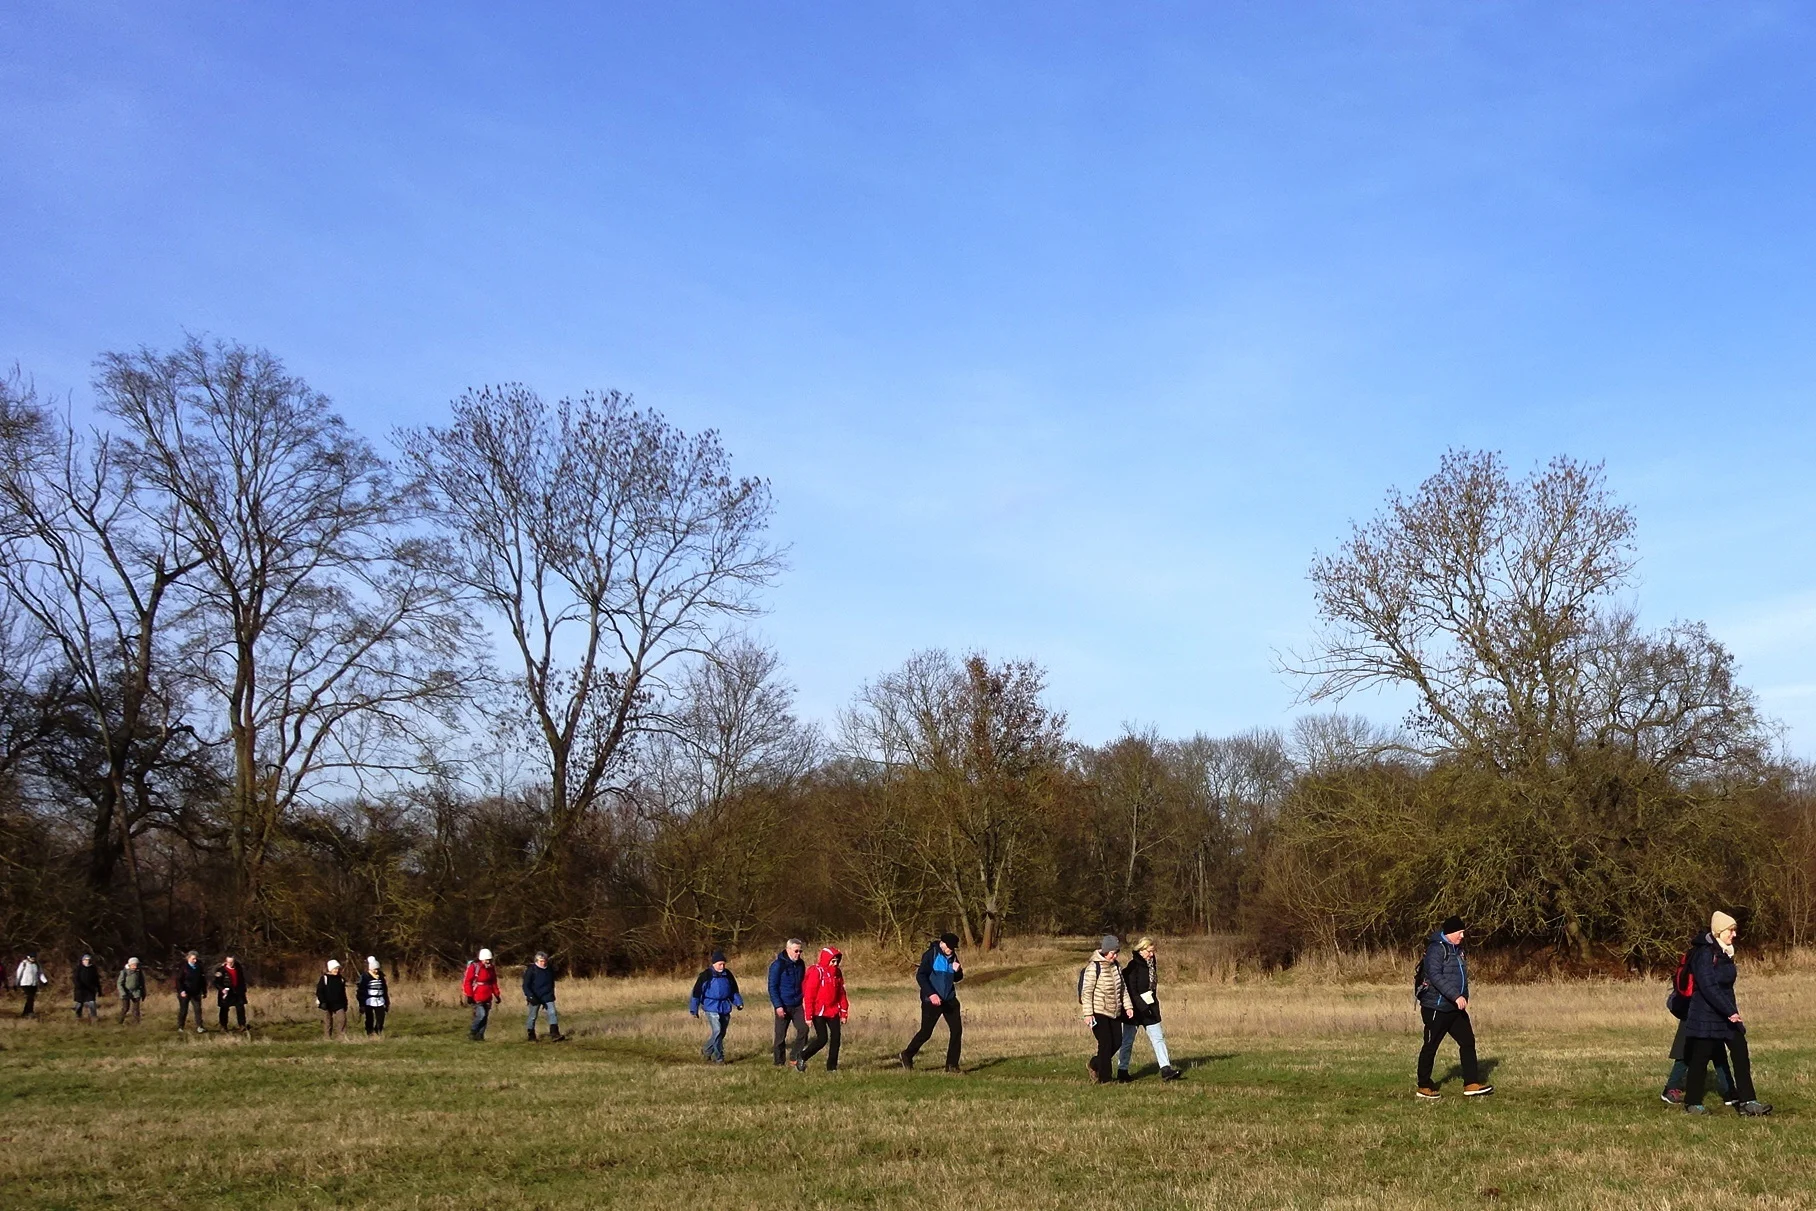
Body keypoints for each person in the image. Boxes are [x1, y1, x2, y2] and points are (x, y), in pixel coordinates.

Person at [1681, 911, 1772, 1116]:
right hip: (1706, 1014)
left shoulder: (1725, 952)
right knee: (1700, 1058)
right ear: (1720, 931)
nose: (1734, 935)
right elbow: (1708, 986)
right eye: (1731, 930)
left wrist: (1731, 1011)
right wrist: (1730, 1011)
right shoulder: (1704, 953)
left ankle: (1748, 1101)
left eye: (1734, 930)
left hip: (1726, 1013)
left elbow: (1724, 987)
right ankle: (1693, 1103)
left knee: (1740, 1052)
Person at [1415, 916, 1492, 1099]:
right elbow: (1434, 975)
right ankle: (1424, 1086)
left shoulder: (1458, 950)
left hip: (1454, 1009)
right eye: (1460, 932)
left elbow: (1461, 977)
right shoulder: (1436, 949)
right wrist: (1455, 995)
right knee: (1431, 1045)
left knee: (1467, 1042)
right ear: (1451, 932)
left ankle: (1471, 1083)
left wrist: (1463, 996)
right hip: (1436, 1007)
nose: (1463, 936)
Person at [1118, 937, 1181, 1082]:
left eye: (1153, 951)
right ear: (1141, 950)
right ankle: (1122, 1070)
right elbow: (1131, 991)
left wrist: (1150, 1007)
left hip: (1150, 1008)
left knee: (1158, 1038)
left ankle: (1166, 1069)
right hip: (1133, 1010)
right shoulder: (1132, 967)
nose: (1152, 954)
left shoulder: (1152, 965)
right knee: (1127, 1041)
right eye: (1149, 951)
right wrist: (1142, 1007)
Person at [900, 932, 965, 1072]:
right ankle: (907, 1054)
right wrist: (932, 994)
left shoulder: (953, 956)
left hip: (949, 999)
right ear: (942, 943)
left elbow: (957, 978)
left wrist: (957, 971)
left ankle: (952, 1065)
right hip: (932, 1000)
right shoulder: (931, 955)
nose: (951, 950)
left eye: (953, 948)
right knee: (926, 1032)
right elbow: (921, 976)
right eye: (949, 947)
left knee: (957, 1030)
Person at [1080, 935, 1134, 1084]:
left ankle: (1095, 1064)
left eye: (1116, 953)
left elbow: (1122, 990)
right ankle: (1105, 1079)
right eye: (1112, 953)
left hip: (1114, 1012)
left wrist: (1128, 1007)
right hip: (1098, 1012)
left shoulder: (1116, 967)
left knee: (1117, 1042)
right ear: (1105, 951)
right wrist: (1088, 1014)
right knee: (1106, 1043)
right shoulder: (1093, 968)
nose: (1115, 956)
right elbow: (1087, 992)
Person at [798, 945, 848, 1072]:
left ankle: (832, 1067)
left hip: (833, 1010)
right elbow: (809, 994)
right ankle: (803, 1056)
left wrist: (844, 1012)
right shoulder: (817, 971)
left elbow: (841, 993)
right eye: (833, 961)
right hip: (818, 1011)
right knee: (822, 1039)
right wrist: (808, 1016)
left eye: (837, 961)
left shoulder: (837, 973)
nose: (835, 964)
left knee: (836, 1037)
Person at [688, 950, 744, 1063]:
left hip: (725, 1006)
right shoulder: (706, 975)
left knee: (721, 1033)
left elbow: (734, 990)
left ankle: (707, 1050)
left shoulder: (728, 974)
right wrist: (694, 1009)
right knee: (717, 1031)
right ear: (714, 964)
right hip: (711, 1007)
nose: (722, 966)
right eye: (720, 964)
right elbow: (696, 993)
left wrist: (738, 1003)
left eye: (724, 964)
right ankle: (719, 1058)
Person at [768, 938, 808, 1068]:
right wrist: (778, 1006)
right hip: (783, 1004)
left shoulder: (801, 964)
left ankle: (795, 1056)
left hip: (797, 1004)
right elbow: (772, 987)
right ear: (788, 950)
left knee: (804, 1029)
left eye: (800, 951)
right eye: (796, 951)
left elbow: (804, 983)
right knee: (780, 1036)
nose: (798, 954)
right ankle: (779, 1062)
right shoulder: (777, 965)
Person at [522, 951, 565, 1042]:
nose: (543, 962)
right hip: (535, 996)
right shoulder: (531, 970)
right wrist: (530, 996)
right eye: (541, 961)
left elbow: (551, 983)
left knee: (552, 1012)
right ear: (536, 961)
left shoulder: (549, 969)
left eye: (545, 960)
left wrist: (551, 994)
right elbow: (526, 985)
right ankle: (531, 1035)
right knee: (533, 1016)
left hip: (547, 996)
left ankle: (554, 1033)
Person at [462, 947, 501, 1041]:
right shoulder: (474, 967)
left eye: (489, 960)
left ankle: (480, 1036)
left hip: (487, 997)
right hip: (477, 997)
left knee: (485, 1018)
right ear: (481, 959)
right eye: (486, 960)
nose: (488, 961)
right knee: (481, 1015)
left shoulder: (491, 969)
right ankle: (473, 1031)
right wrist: (469, 995)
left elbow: (493, 982)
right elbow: (467, 982)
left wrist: (497, 995)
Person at [175, 951, 208, 1033]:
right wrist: (181, 990)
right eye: (193, 959)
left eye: (196, 959)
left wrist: (204, 991)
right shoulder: (183, 968)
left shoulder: (199, 968)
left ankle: (200, 1026)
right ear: (188, 958)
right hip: (185, 992)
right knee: (183, 1010)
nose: (195, 960)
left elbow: (202, 981)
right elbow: (178, 980)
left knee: (198, 1009)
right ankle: (180, 1027)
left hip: (196, 992)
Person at [213, 954, 248, 1032]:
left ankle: (242, 1025)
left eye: (232, 962)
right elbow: (216, 982)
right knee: (224, 1009)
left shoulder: (239, 969)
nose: (230, 964)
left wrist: (243, 989)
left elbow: (242, 980)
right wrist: (222, 989)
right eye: (228, 962)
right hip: (226, 992)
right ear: (226, 962)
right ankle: (223, 1026)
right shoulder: (221, 970)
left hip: (238, 992)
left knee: (240, 1008)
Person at [316, 959, 349, 1039]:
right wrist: (322, 1002)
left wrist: (345, 1003)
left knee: (342, 1019)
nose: (337, 970)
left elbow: (343, 992)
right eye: (335, 969)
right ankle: (327, 1038)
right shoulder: (324, 978)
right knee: (328, 1022)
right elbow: (319, 991)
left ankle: (341, 1037)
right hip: (326, 1004)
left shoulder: (341, 979)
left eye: (338, 969)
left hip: (339, 1003)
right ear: (330, 969)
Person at [357, 957, 390, 1036]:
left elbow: (385, 990)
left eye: (377, 969)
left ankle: (378, 1031)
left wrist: (387, 1002)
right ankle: (370, 1032)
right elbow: (361, 991)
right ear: (370, 969)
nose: (376, 971)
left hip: (380, 1000)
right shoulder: (365, 977)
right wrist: (362, 1004)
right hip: (368, 1001)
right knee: (369, 1018)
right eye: (374, 969)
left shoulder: (381, 977)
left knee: (381, 1017)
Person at [16, 951, 47, 1018]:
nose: (33, 959)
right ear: (28, 957)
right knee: (30, 998)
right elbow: (19, 974)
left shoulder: (37, 965)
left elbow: (40, 973)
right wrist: (16, 983)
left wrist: (44, 981)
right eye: (32, 957)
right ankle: (30, 1012)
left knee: (31, 999)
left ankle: (25, 1013)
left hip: (34, 984)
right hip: (25, 984)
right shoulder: (24, 964)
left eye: (34, 957)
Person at [72, 953, 102, 1023]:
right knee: (79, 1005)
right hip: (80, 990)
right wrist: (78, 985)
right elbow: (75, 978)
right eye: (85, 960)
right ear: (82, 961)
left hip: (90, 990)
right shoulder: (78, 968)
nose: (87, 961)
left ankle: (94, 1018)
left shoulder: (93, 969)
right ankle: (78, 1017)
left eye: (88, 960)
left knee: (92, 1004)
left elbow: (96, 980)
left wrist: (99, 989)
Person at [116, 957, 146, 1024]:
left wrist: (143, 993)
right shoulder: (124, 972)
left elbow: (142, 983)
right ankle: (120, 1022)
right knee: (125, 1008)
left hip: (136, 992)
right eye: (133, 965)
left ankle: (136, 1023)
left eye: (136, 965)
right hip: (126, 992)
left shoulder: (139, 972)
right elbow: (119, 983)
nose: (135, 967)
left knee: (136, 1009)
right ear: (130, 964)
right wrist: (123, 993)